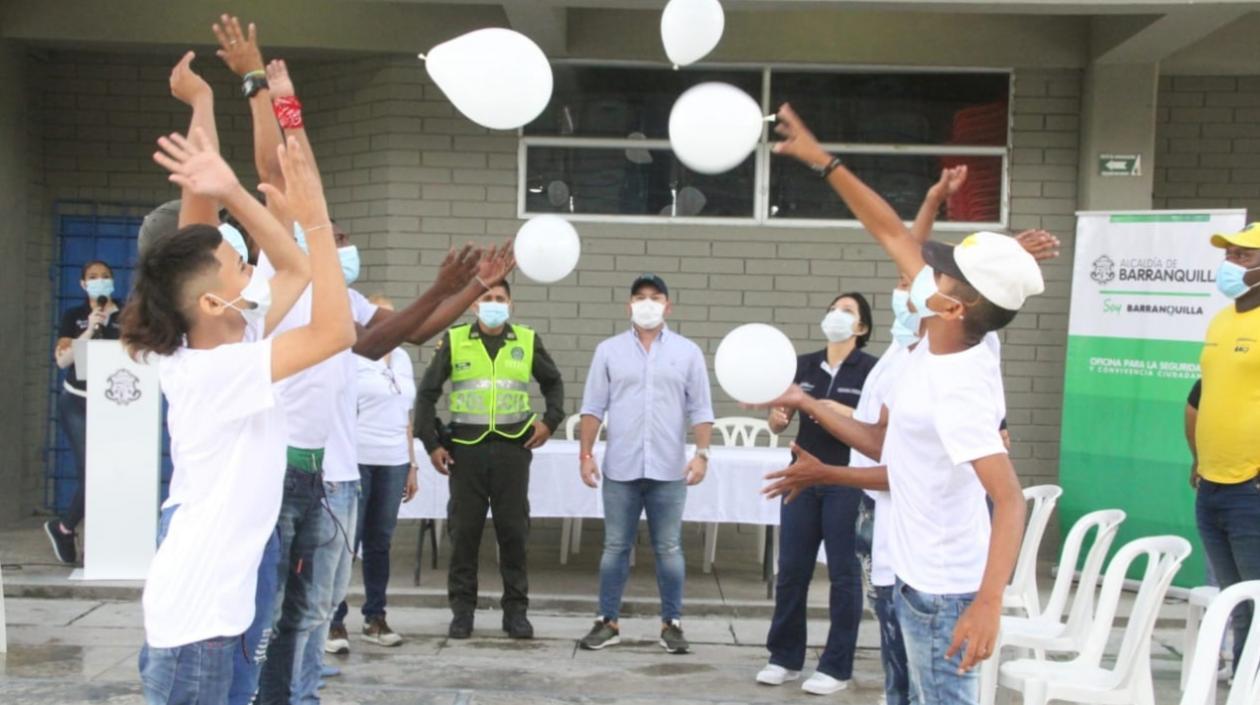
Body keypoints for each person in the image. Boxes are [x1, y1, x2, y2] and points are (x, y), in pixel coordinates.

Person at [763, 103, 1041, 705]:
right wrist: (823, 160)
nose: (920, 272)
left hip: (944, 593)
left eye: (939, 275)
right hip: (909, 577)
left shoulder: (959, 386)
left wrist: (988, 605)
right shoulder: (946, 331)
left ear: (954, 305)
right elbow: (890, 229)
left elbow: (1010, 500)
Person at [126, 122, 352, 704]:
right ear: (210, 302)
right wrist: (317, 217)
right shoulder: (214, 371)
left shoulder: (227, 335)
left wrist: (231, 191)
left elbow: (296, 271)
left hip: (221, 602)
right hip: (199, 616)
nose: (255, 275)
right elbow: (335, 329)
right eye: (241, 269)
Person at [415, 279, 566, 639]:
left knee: (513, 532)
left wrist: (549, 422)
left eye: (500, 299)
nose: (493, 303)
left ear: (511, 305)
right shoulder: (455, 340)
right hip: (466, 450)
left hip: (515, 448)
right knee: (464, 532)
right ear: (473, 305)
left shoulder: (527, 340)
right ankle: (462, 611)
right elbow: (426, 395)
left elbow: (554, 383)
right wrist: (432, 443)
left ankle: (516, 613)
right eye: (486, 298)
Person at [577, 274, 715, 655]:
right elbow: (593, 407)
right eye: (640, 297)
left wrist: (702, 454)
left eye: (656, 297)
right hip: (620, 469)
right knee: (614, 548)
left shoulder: (687, 353)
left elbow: (701, 409)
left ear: (668, 306)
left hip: (669, 470)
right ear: (629, 305)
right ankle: (608, 621)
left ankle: (672, 624)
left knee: (669, 548)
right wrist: (586, 454)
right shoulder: (608, 351)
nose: (648, 304)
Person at [756, 293, 877, 695]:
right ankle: (784, 657)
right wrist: (777, 416)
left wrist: (829, 408)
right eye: (833, 309)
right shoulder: (803, 364)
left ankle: (836, 666)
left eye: (847, 312)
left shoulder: (872, 370)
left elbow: (873, 422)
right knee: (791, 570)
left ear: (860, 328)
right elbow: (779, 422)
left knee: (843, 575)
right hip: (801, 478)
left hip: (846, 478)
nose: (836, 316)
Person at [327, 294, 420, 652]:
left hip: (393, 459)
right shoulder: (353, 356)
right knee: (347, 541)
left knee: (380, 541)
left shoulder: (403, 358)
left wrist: (411, 464)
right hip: (357, 457)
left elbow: (405, 415)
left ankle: (375, 617)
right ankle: (334, 621)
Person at [1194, 222, 1260, 675]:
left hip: (1251, 485)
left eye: (1244, 257)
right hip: (1213, 481)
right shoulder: (1222, 320)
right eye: (1230, 255)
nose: (1231, 265)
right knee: (1236, 600)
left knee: (1255, 600)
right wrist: (1199, 459)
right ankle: (1242, 681)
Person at [44, 259, 123, 564]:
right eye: (93, 277)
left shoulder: (128, 314)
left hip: (118, 404)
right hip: (78, 401)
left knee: (114, 472)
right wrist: (90, 329)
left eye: (105, 276)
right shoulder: (75, 316)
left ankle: (75, 531)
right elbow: (63, 360)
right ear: (83, 284)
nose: (100, 281)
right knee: (91, 471)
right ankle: (64, 527)